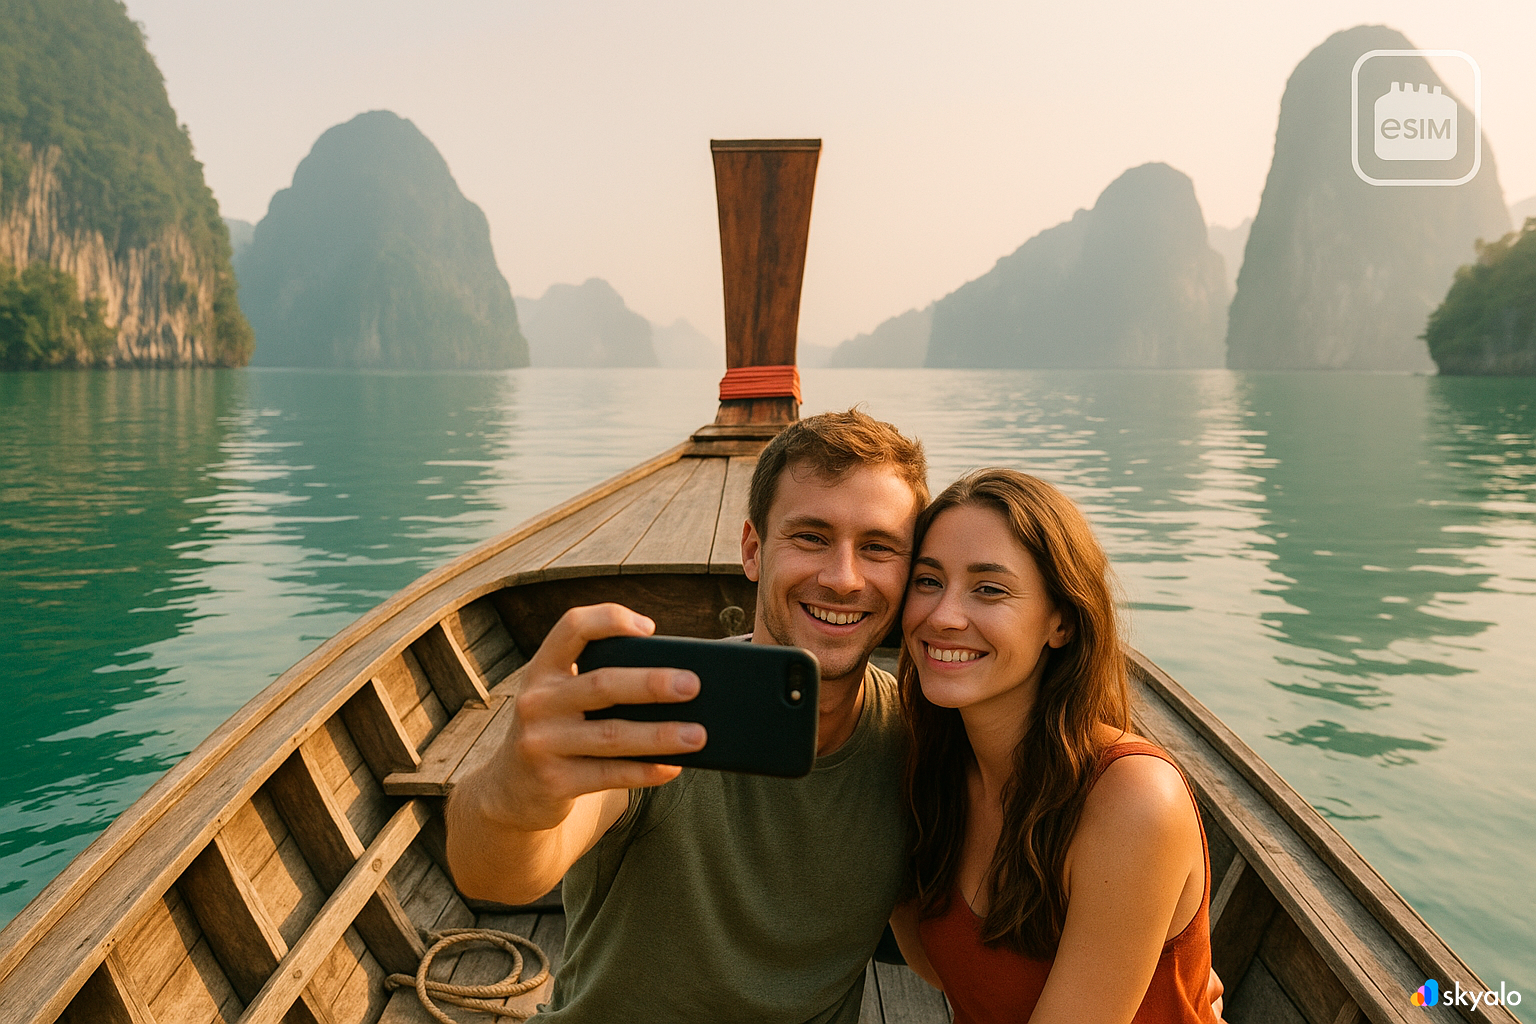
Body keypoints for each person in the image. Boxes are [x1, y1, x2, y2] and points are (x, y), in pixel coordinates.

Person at [445, 409, 929, 1022]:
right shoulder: (663, 710)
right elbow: (498, 873)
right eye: (810, 537)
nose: (842, 577)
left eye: (878, 548)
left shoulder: (916, 741)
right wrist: (513, 797)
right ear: (753, 550)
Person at [889, 468, 1223, 1023]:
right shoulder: (932, 770)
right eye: (927, 581)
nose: (943, 616)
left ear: (1061, 621)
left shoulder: (1132, 801)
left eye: (989, 588)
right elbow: (951, 969)